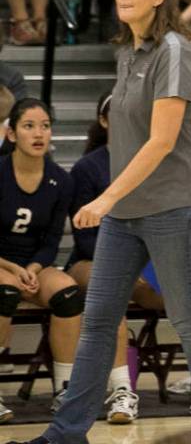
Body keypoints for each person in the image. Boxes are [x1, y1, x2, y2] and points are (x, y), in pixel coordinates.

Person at [17, 0, 191, 443]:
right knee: (97, 322)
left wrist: (105, 198)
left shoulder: (175, 50)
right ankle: (65, 435)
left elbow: (161, 141)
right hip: (127, 212)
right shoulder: (127, 53)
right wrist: (116, 203)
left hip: (173, 205)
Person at [0, 99, 81, 419]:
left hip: (33, 263)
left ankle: (65, 389)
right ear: (11, 134)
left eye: (45, 126)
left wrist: (32, 269)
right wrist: (13, 268)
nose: (38, 134)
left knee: (69, 293)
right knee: (5, 291)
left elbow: (50, 242)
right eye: (29, 126)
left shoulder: (61, 180)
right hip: (2, 264)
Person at [65, 93, 140, 425]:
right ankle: (122, 390)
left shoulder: (147, 161)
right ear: (105, 121)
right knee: (113, 293)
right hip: (92, 260)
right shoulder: (87, 167)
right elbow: (84, 237)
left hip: (142, 259)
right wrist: (127, 264)